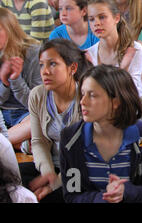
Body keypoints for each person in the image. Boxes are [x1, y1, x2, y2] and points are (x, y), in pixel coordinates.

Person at [60, 65, 142, 203]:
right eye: (83, 93)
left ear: (116, 102)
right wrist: (102, 199)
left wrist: (125, 191)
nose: (82, 102)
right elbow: (71, 196)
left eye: (92, 95)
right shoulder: (70, 138)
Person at [20, 39, 92, 202]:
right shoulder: (38, 95)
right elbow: (39, 141)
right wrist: (47, 173)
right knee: (10, 179)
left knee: (54, 197)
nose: (44, 71)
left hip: (82, 169)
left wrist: (53, 184)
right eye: (41, 65)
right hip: (53, 166)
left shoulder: (87, 97)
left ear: (72, 68)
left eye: (52, 64)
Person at [86, 0, 142, 97]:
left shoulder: (135, 48)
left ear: (116, 18)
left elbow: (135, 91)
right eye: (91, 19)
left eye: (102, 17)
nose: (96, 23)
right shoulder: (88, 54)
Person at [0, 8, 41, 150]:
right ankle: (20, 144)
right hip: (2, 114)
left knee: (40, 120)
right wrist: (4, 82)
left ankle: (7, 142)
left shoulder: (34, 51)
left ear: (10, 30)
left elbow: (36, 102)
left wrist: (16, 79)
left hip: (26, 113)